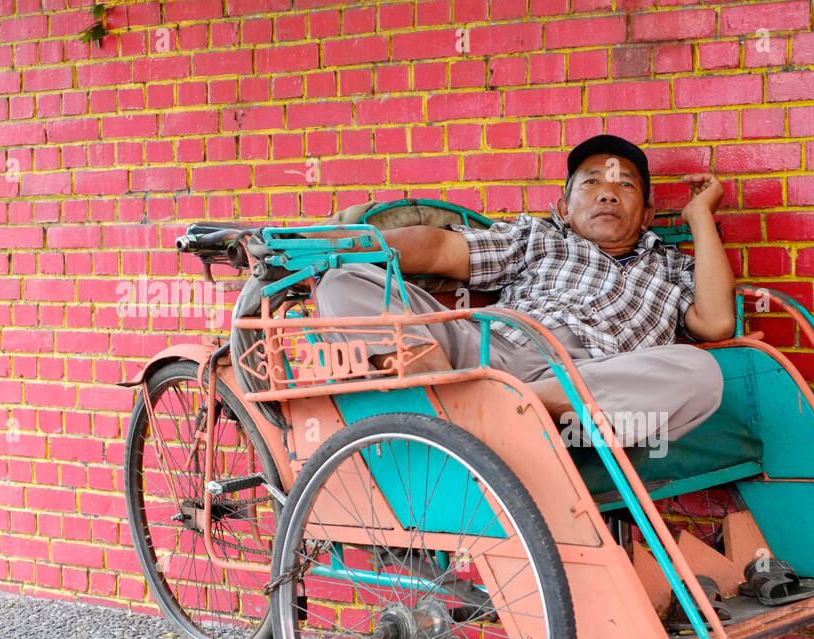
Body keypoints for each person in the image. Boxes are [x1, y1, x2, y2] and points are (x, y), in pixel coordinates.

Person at [311, 135, 734, 447]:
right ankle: (444, 394)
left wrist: (699, 215)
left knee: (702, 373)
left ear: (647, 215)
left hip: (576, 388)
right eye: (591, 183)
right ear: (564, 208)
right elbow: (441, 249)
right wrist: (344, 244)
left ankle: (504, 408)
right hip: (482, 351)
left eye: (626, 185)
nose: (607, 192)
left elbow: (716, 323)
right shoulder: (537, 237)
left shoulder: (672, 268)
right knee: (344, 279)